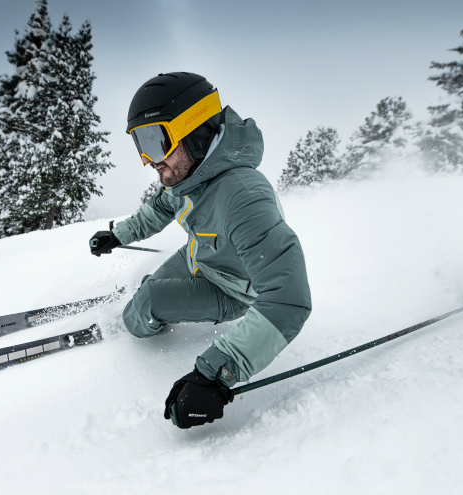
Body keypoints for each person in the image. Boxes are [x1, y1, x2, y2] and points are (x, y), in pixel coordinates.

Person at [89, 72, 312, 429]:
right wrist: (119, 235)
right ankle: (156, 302)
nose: (150, 159)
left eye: (156, 141)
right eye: (140, 144)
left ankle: (139, 316)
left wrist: (215, 373)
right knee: (153, 291)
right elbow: (158, 208)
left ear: (195, 131)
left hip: (230, 289)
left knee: (146, 302)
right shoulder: (186, 177)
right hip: (200, 260)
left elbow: (289, 299)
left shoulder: (243, 195)